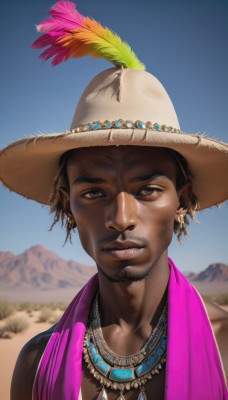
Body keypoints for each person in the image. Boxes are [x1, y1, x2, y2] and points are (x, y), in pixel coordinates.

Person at [0, 2, 227, 399]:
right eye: (93, 193)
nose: (121, 218)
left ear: (182, 200)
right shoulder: (36, 365)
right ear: (66, 205)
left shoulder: (225, 350)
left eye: (148, 190)